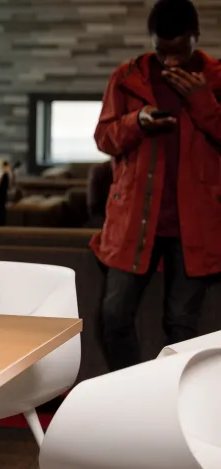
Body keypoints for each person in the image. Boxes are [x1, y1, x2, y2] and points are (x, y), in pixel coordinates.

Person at [91, 0, 221, 372]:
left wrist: (201, 102)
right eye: (162, 52)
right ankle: (133, 392)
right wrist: (137, 122)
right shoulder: (127, 76)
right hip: (134, 220)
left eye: (179, 51)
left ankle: (174, 403)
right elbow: (104, 138)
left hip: (195, 225)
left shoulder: (216, 79)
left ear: (196, 37)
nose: (171, 63)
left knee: (181, 326)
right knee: (113, 316)